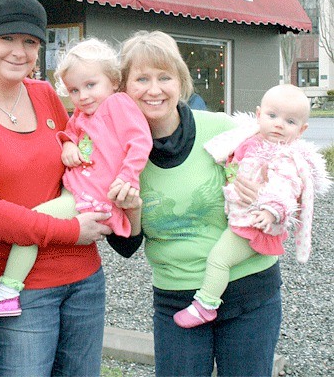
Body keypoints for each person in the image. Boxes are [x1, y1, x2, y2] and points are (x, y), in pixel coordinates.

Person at [0, 0, 138, 377]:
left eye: (29, 42)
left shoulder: (45, 94)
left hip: (84, 280)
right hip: (20, 291)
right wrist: (70, 230)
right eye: (7, 39)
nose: (19, 51)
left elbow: (91, 150)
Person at [108, 29, 285, 377]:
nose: (154, 89)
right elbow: (125, 246)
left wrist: (261, 190)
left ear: (180, 81)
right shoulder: (116, 152)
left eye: (164, 77)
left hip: (249, 292)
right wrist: (134, 212)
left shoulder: (221, 129)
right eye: (141, 78)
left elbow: (282, 180)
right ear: (123, 88)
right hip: (177, 298)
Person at [0, 37, 152, 317]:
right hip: (78, 191)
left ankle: (8, 291)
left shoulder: (118, 105)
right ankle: (9, 291)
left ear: (113, 82)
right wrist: (68, 144)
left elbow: (140, 142)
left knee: (32, 225)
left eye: (91, 85)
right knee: (34, 224)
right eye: (74, 90)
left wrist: (128, 178)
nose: (83, 95)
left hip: (95, 198)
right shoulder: (83, 113)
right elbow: (69, 132)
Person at [174, 84, 332, 328]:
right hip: (241, 213)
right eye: (272, 116)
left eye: (289, 121)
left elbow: (285, 189)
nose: (278, 124)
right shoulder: (249, 138)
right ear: (258, 115)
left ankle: (206, 304)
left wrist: (270, 212)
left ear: (302, 130)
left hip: (254, 222)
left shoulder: (286, 157)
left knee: (218, 259)